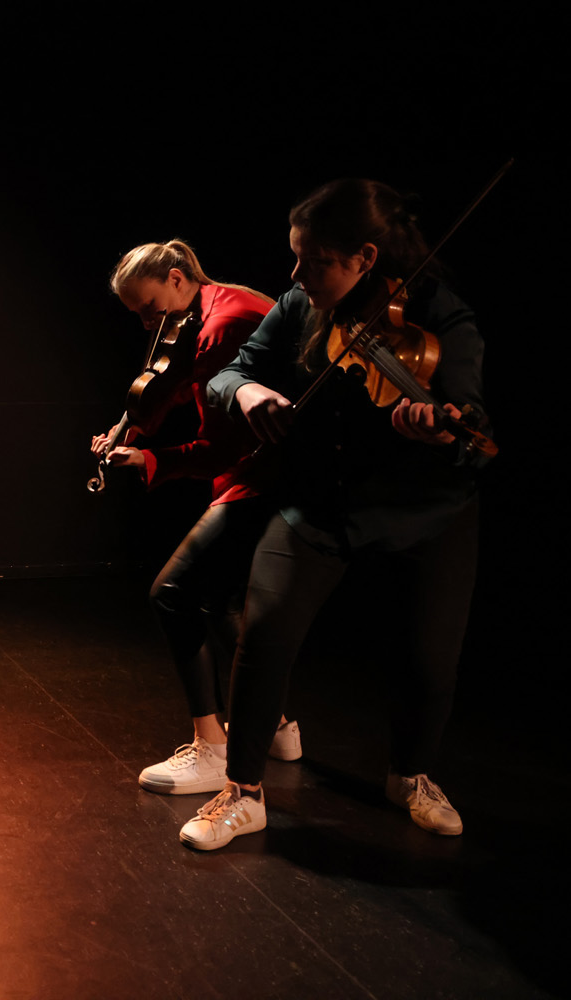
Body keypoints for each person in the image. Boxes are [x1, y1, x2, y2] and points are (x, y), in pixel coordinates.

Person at [181, 178, 491, 850]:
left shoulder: (441, 315)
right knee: (264, 634)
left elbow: (467, 417)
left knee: (429, 659)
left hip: (424, 509)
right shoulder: (301, 304)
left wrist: (437, 427)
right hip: (321, 501)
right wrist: (250, 391)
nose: (296, 275)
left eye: (315, 261)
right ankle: (243, 793)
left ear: (365, 258)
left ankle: (410, 776)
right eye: (296, 257)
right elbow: (229, 373)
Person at [96, 240, 298, 797]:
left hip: (266, 478)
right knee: (220, 600)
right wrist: (126, 427)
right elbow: (173, 384)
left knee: (172, 593)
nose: (147, 324)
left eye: (149, 308)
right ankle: (277, 727)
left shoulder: (223, 325)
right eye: (138, 315)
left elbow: (218, 448)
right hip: (262, 473)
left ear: (177, 278)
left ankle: (212, 747)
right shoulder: (211, 308)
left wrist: (149, 459)